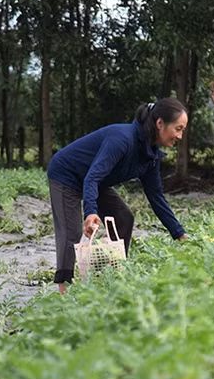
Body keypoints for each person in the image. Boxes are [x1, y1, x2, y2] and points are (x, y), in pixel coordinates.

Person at [47, 97, 190, 293]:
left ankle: (111, 275)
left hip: (96, 180)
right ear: (160, 123)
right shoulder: (122, 139)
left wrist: (179, 234)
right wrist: (91, 212)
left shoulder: (150, 156)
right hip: (67, 175)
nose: (180, 136)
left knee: (123, 217)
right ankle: (64, 293)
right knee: (71, 233)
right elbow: (92, 178)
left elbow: (157, 198)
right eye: (178, 128)